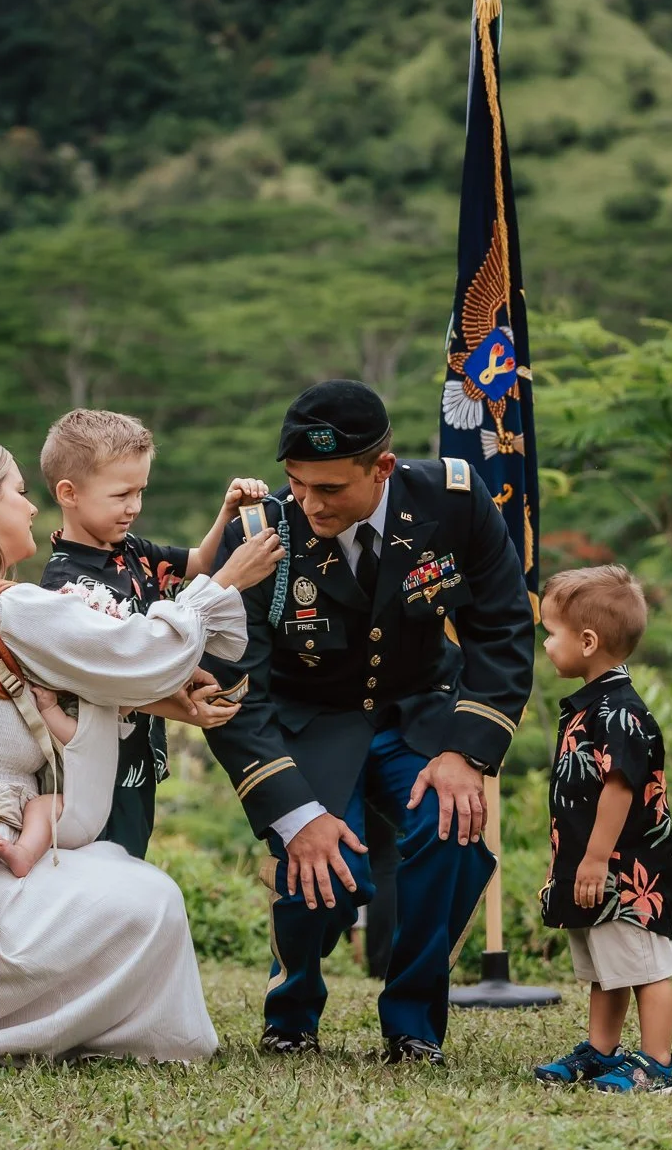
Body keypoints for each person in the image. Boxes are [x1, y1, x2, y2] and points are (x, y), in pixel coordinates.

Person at [0, 441, 284, 1069]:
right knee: (149, 900)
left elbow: (74, 686)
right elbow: (135, 651)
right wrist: (223, 583)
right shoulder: (6, 606)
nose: (31, 507)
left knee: (111, 869)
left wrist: (173, 701)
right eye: (17, 491)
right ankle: (91, 1031)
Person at [200, 380, 534, 1065]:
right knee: (325, 865)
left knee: (448, 831)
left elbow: (501, 629)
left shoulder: (454, 502)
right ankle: (291, 1008)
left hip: (419, 710)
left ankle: (412, 1023)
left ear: (381, 468)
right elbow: (236, 688)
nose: (309, 503)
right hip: (311, 720)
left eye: (329, 487)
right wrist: (295, 814)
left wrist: (466, 754)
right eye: (296, 483)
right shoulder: (262, 534)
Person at [37, 408, 269, 858]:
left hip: (137, 758)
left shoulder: (132, 550)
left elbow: (199, 563)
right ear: (69, 493)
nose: (134, 507)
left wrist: (228, 513)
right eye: (121, 494)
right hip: (94, 767)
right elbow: (105, 684)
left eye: (141, 492)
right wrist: (183, 711)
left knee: (132, 852)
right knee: (106, 869)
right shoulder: (63, 588)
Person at [531, 565, 672, 1093]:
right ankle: (601, 1051)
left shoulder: (619, 712)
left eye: (552, 633)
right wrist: (565, 868)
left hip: (627, 873)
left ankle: (660, 1065)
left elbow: (618, 791)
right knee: (607, 967)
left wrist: (595, 861)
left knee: (645, 966)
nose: (547, 644)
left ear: (588, 641)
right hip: (591, 868)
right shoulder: (589, 706)